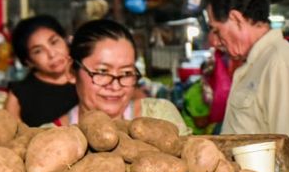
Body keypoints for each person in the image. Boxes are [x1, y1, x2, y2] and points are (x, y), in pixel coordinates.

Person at [208, 0, 289, 156]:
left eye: (216, 30)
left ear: (236, 19)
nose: (215, 41)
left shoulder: (280, 63)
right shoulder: (257, 64)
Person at [54, 19, 188, 133]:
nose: (115, 86)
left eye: (126, 73)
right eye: (102, 71)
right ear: (71, 71)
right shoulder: (52, 136)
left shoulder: (160, 116)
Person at [5, 15, 79, 127]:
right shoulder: (19, 95)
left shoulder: (89, 77)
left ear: (65, 40)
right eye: (38, 51)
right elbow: (11, 137)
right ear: (28, 62)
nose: (52, 54)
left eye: (54, 42)